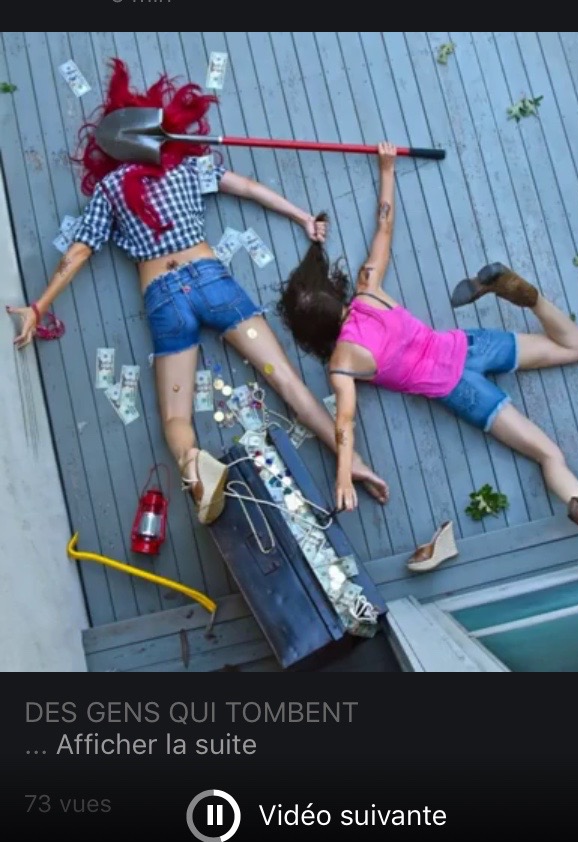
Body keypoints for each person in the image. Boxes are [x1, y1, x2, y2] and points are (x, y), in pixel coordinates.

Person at [6, 59, 387, 523]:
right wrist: (303, 217)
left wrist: (39, 306)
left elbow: (81, 250)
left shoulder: (109, 189)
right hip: (211, 282)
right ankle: (354, 461)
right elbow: (247, 188)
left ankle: (195, 467)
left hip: (165, 299)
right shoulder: (188, 166)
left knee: (175, 420)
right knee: (286, 381)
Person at [277, 143, 578, 581]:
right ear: (332, 289)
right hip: (469, 345)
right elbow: (384, 224)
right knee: (577, 345)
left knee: (549, 454)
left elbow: (345, 421)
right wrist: (387, 168)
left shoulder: (341, 363)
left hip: (461, 391)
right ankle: (526, 296)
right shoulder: (368, 288)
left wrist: (341, 475)